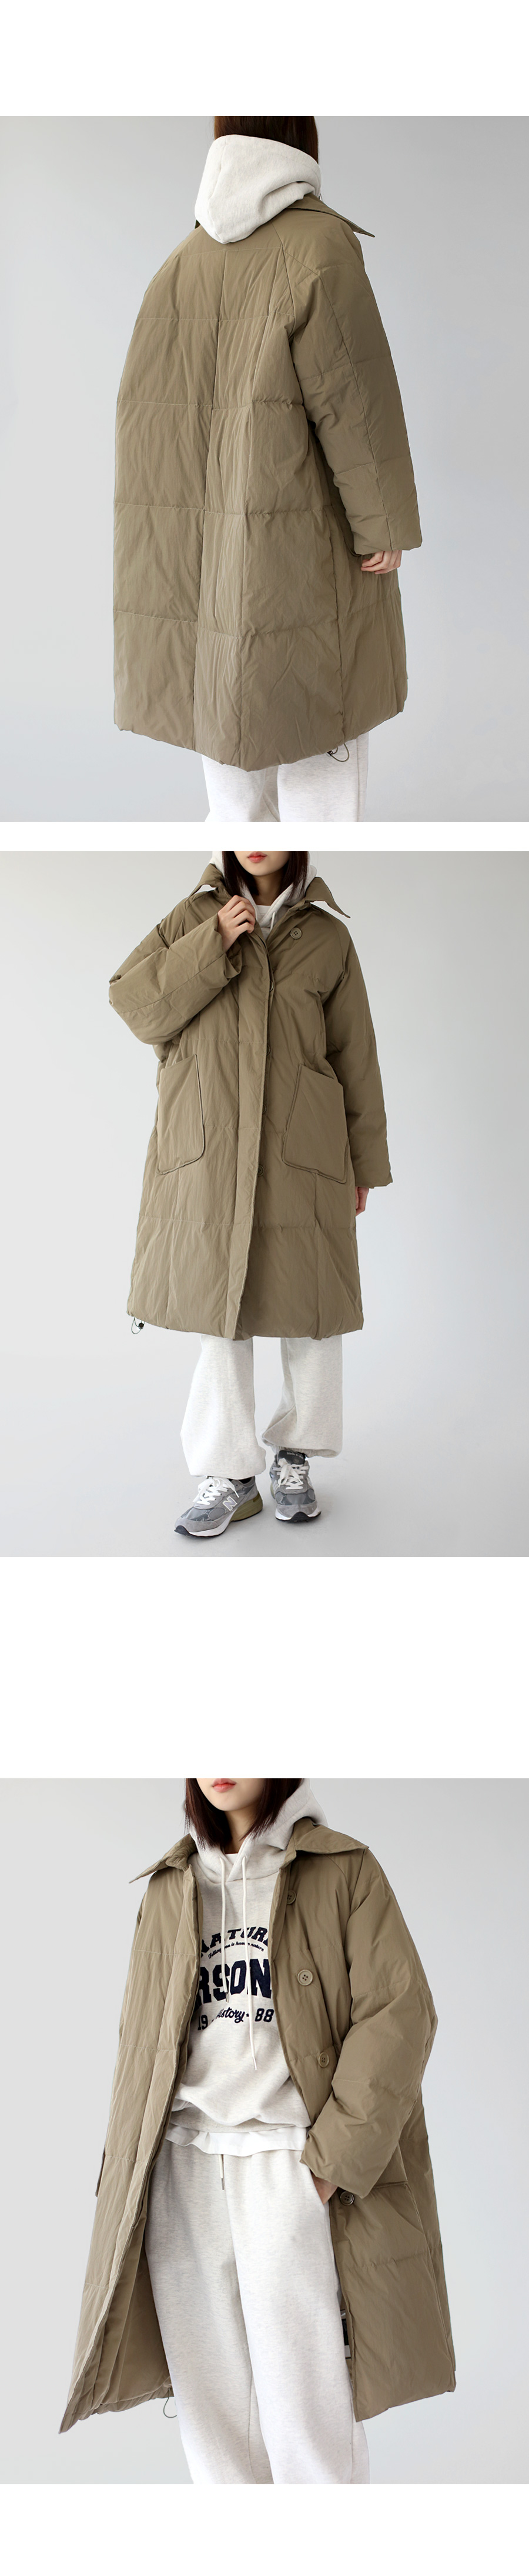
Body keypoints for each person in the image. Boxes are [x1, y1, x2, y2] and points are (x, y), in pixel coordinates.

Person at [61, 1778, 456, 2485]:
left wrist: (331, 2162)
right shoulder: (169, 1886)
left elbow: (400, 2012)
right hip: (182, 2167)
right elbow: (139, 2047)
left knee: (307, 2414)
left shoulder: (343, 1869)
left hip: (286, 2163)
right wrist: (132, 2178)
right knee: (213, 2422)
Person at [113, 116, 421, 823]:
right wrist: (383, 521)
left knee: (229, 760)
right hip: (297, 555)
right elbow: (353, 399)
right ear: (300, 141)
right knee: (321, 739)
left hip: (202, 576)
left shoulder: (182, 262)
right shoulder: (319, 248)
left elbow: (150, 425)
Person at [109, 850, 392, 1539]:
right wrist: (212, 941)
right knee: (221, 1308)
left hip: (304, 1151)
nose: (255, 844)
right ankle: (228, 1473)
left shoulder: (327, 937)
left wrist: (363, 1164)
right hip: (210, 1151)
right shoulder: (191, 917)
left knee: (312, 1309)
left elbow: (355, 1056)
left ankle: (295, 1455)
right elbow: (136, 1007)